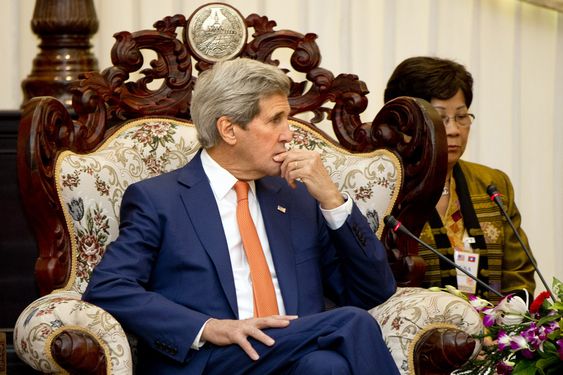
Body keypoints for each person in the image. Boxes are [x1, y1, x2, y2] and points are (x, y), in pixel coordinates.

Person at [83, 58, 399, 374]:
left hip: (290, 354)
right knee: (353, 323)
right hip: (211, 360)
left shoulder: (297, 197)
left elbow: (373, 291)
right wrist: (209, 327)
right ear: (229, 130)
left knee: (325, 366)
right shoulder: (159, 200)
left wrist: (332, 199)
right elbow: (110, 286)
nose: (289, 135)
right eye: (276, 120)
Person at [383, 56, 535, 302]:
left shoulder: (491, 183)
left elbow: (518, 274)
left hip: (493, 330)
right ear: (404, 122)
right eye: (440, 118)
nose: (454, 129)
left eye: (461, 117)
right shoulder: (382, 187)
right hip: (417, 333)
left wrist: (507, 322)